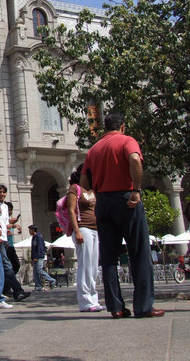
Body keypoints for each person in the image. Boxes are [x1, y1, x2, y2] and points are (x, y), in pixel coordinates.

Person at [80, 112, 163, 319]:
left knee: (108, 258)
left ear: (104, 128)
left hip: (103, 202)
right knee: (139, 253)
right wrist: (136, 189)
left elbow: (83, 181)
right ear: (123, 127)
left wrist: (97, 189)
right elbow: (135, 159)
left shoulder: (94, 149)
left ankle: (116, 307)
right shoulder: (127, 141)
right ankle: (143, 306)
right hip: (127, 199)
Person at [67, 163, 104, 312]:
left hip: (95, 230)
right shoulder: (75, 188)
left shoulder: (93, 190)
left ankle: (93, 299)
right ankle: (84, 301)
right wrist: (77, 231)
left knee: (94, 266)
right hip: (83, 229)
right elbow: (71, 211)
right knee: (85, 265)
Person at [0, 186, 28, 301]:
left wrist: (12, 225)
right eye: (0, 192)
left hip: (3, 240)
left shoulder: (4, 207)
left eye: (4, 192)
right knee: (7, 266)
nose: (2, 194)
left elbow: (3, 223)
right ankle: (18, 291)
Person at [29, 225, 56, 291]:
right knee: (35, 272)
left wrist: (37, 257)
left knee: (39, 270)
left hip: (39, 257)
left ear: (33, 230)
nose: (29, 231)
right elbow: (33, 249)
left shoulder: (38, 237)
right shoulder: (33, 237)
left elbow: (40, 248)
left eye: (30, 230)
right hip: (35, 257)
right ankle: (38, 286)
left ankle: (52, 280)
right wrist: (32, 258)